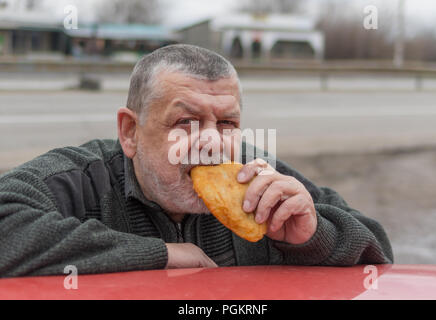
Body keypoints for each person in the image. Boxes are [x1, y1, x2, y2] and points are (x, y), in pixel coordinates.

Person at [0, 44, 393, 277]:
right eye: (185, 121)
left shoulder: (261, 181)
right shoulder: (80, 179)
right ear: (130, 132)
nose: (210, 141)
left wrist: (314, 237)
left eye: (226, 122)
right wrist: (161, 255)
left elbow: (379, 252)